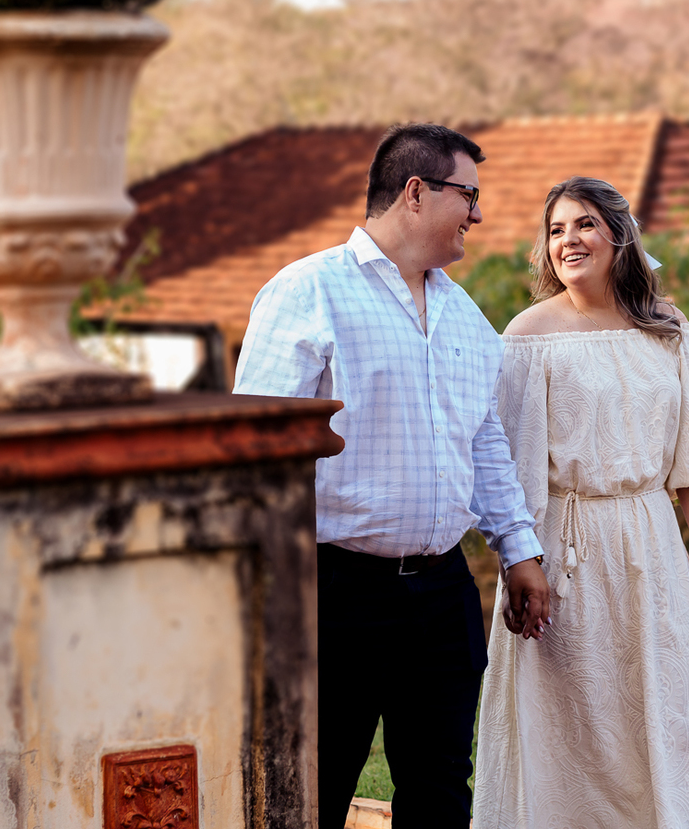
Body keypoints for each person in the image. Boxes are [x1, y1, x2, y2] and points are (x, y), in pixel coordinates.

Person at [233, 123, 552, 829]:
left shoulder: (464, 315)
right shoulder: (307, 291)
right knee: (311, 794)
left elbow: (484, 440)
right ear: (416, 192)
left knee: (440, 795)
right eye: (468, 195)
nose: (478, 214)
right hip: (333, 593)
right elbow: (260, 456)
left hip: (442, 592)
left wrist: (520, 551)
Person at [472, 177, 689, 828]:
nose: (569, 240)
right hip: (564, 549)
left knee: (664, 710)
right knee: (571, 720)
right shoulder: (527, 336)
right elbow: (508, 469)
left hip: (652, 543)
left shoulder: (668, 328)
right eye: (556, 229)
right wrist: (521, 564)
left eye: (585, 224)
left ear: (619, 235)